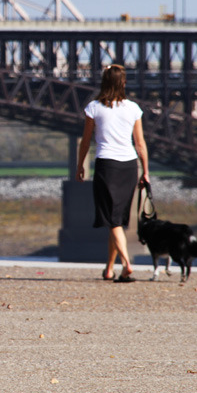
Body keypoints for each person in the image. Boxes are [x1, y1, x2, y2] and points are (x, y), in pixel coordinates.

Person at [76, 64, 149, 283]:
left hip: (106, 165)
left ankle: (127, 264)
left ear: (104, 83)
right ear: (123, 83)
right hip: (129, 167)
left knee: (114, 220)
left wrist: (80, 165)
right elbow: (140, 144)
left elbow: (86, 141)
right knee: (115, 219)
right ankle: (109, 269)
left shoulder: (94, 108)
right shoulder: (133, 108)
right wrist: (145, 172)